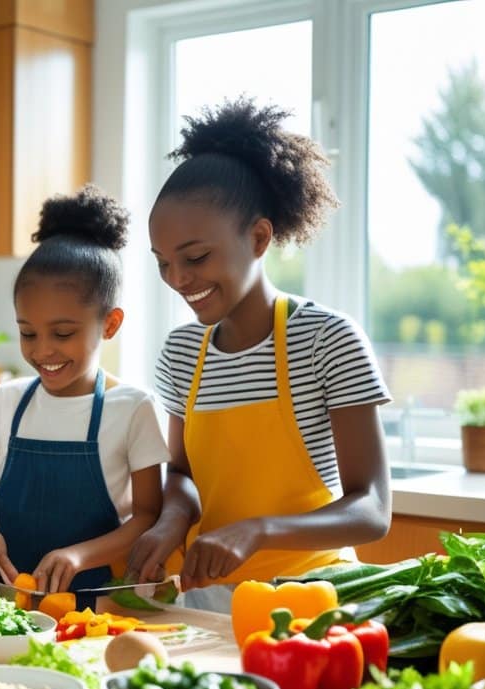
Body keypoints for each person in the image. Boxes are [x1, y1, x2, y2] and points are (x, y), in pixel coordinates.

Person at [130, 98, 392, 612]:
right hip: (207, 598)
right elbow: (182, 473)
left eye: (196, 257)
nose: (179, 280)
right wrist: (170, 522)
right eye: (163, 263)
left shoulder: (327, 340)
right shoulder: (183, 353)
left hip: (317, 598)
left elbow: (373, 508)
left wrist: (259, 530)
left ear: (258, 237)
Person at [0, 185, 168, 596]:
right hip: (10, 597)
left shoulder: (133, 408)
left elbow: (148, 515)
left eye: (62, 333)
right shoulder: (8, 400)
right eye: (27, 332)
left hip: (100, 602)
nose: (42, 350)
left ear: (110, 324)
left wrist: (80, 556)